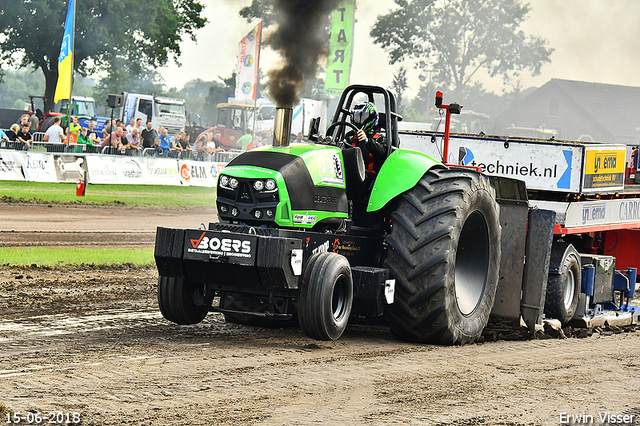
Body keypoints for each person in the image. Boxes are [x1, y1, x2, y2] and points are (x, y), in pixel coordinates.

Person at [350, 102, 388, 173]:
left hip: (369, 177)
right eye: (356, 117)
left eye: (362, 118)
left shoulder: (379, 138)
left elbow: (382, 152)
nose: (359, 121)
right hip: (350, 173)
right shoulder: (350, 136)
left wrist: (367, 141)